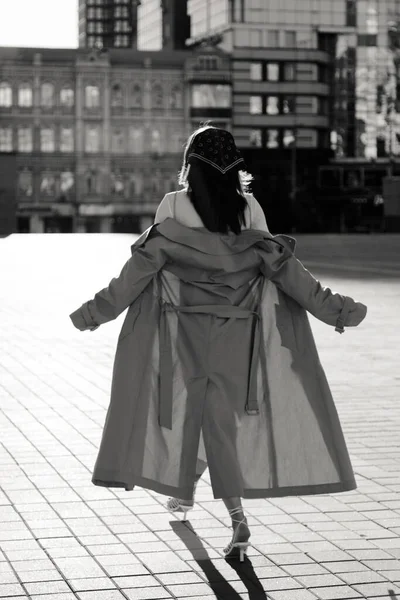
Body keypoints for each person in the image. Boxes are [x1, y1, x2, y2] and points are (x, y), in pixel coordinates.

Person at [69, 124, 367, 562]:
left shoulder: (172, 205)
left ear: (190, 166)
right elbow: (284, 269)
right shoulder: (249, 211)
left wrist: (95, 312)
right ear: (234, 171)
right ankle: (193, 500)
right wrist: (336, 310)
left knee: (197, 417)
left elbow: (141, 270)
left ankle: (235, 516)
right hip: (238, 337)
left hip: (183, 336)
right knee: (217, 422)